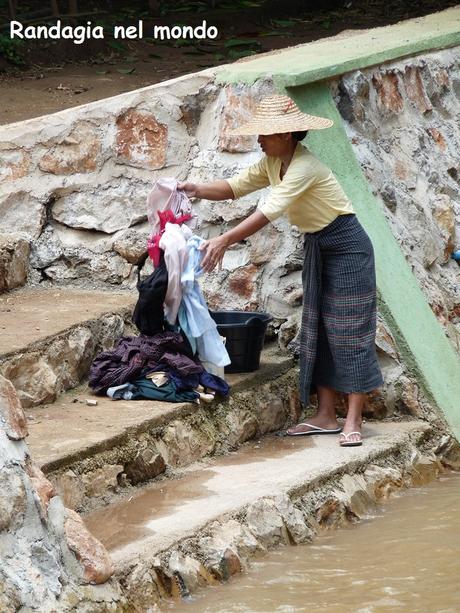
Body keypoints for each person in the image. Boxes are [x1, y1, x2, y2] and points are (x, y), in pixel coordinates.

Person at [179, 94, 383, 447]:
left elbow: (267, 212)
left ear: (286, 134)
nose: (259, 140)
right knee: (317, 328)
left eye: (265, 134)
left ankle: (354, 419)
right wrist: (195, 188)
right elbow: (233, 188)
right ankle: (325, 415)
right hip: (319, 245)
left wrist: (225, 240)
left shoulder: (305, 167)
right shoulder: (272, 162)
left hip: (349, 248)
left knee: (349, 333)